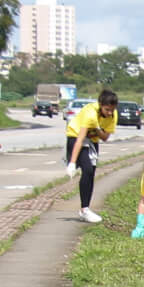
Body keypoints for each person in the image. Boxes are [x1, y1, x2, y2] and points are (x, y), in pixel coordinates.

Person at [63, 88, 117, 223]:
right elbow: (80, 139)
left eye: (112, 110)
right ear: (100, 105)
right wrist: (72, 162)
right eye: (107, 110)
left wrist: (97, 128)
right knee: (86, 169)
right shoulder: (90, 113)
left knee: (90, 173)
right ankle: (85, 209)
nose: (109, 113)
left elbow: (105, 137)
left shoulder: (113, 115)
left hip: (92, 141)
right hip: (75, 137)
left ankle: (84, 209)